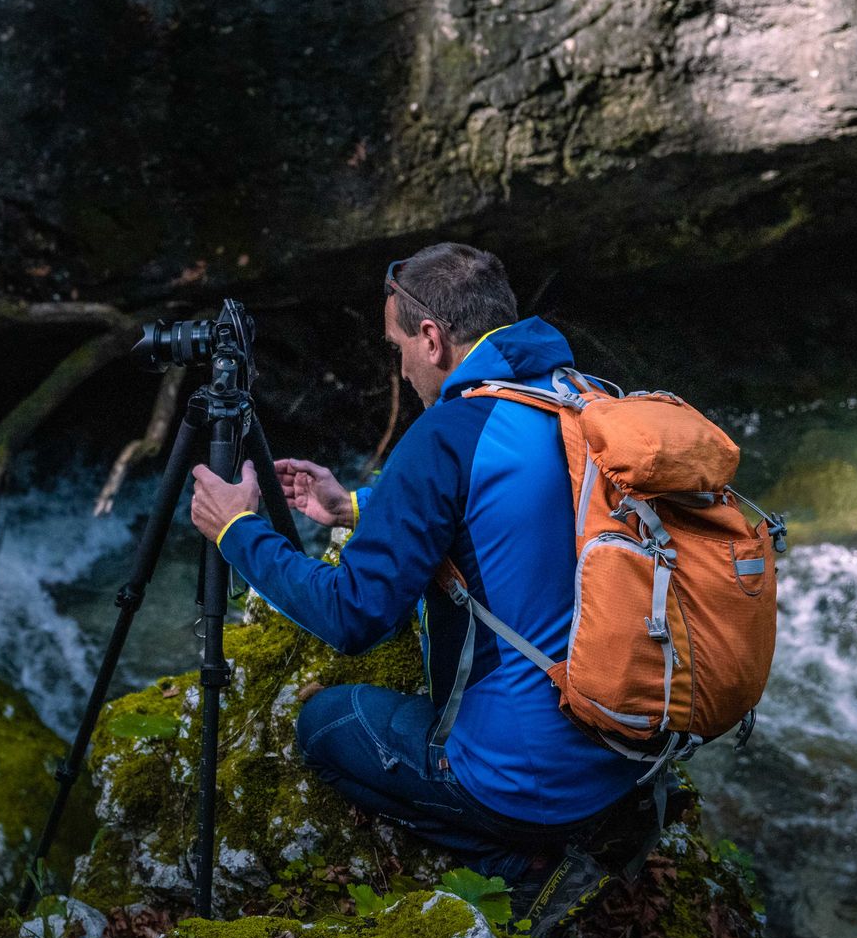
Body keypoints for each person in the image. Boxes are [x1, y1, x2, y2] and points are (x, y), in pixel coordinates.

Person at [188, 242, 648, 897]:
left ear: (431, 338)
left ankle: (525, 867)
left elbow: (353, 617)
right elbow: (513, 507)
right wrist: (351, 506)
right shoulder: (578, 397)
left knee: (327, 725)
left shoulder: (445, 434)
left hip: (526, 786)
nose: (400, 367)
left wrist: (238, 531)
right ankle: (590, 820)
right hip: (624, 750)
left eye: (397, 345)